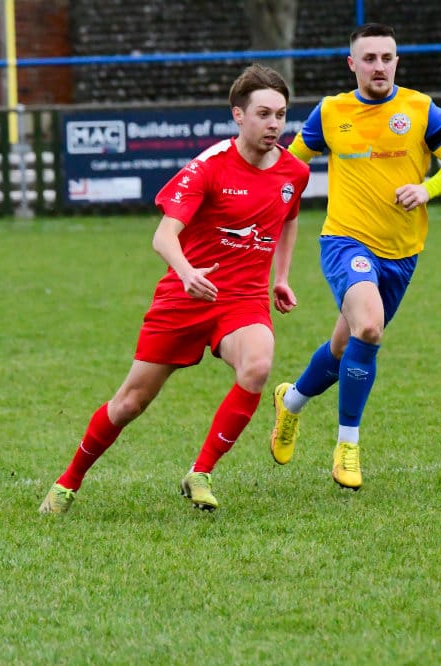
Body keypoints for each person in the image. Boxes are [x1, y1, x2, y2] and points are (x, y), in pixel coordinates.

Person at [39, 63, 309, 514]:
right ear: (238, 115)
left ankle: (200, 473)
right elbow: (163, 236)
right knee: (130, 403)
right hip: (184, 297)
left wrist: (281, 277)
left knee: (258, 366)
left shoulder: (293, 172)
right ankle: (68, 483)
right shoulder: (209, 167)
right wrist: (186, 273)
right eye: (263, 114)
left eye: (280, 115)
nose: (274, 124)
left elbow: (289, 218)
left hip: (242, 300)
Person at [269, 23, 441, 489]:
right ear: (352, 64)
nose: (378, 66)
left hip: (402, 254)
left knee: (345, 346)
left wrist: (427, 189)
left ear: (396, 62)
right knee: (368, 327)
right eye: (369, 58)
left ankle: (291, 402)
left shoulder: (420, 109)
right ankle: (348, 445)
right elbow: (290, 166)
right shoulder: (331, 112)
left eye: (386, 58)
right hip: (345, 241)